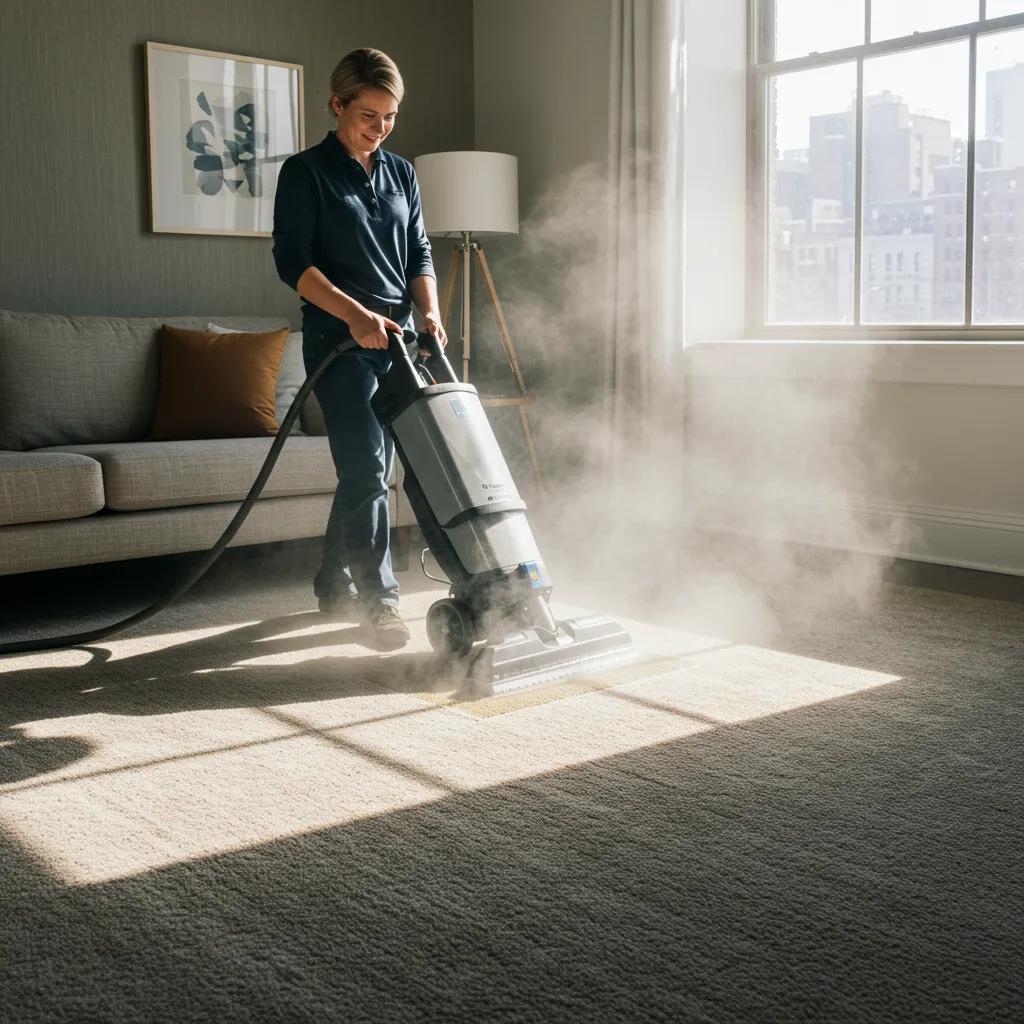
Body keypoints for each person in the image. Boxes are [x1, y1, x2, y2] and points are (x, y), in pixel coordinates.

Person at [272, 47, 446, 650]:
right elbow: (292, 262)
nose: (380, 128)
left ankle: (330, 580)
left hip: (397, 343)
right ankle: (380, 605)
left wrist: (430, 311)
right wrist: (356, 316)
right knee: (368, 468)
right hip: (337, 345)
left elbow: (419, 251)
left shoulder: (401, 172)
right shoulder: (305, 172)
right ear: (337, 104)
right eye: (368, 115)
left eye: (390, 116)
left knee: (370, 471)